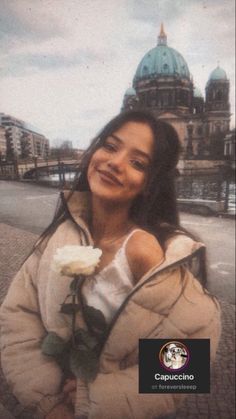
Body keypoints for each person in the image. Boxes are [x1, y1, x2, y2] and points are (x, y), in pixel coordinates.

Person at [0, 110, 221, 419]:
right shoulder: (63, 231)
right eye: (111, 146)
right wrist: (50, 404)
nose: (115, 162)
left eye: (137, 163)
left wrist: (93, 398)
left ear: (150, 183)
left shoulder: (144, 250)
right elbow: (17, 317)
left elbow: (187, 366)